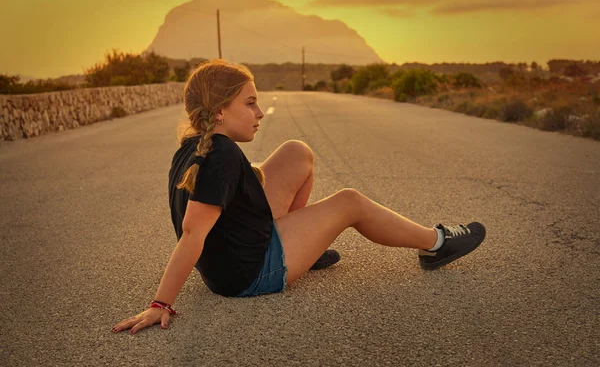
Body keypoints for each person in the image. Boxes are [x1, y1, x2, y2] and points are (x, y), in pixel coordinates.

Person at [111, 59, 486, 335]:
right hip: (248, 274)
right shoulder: (221, 157)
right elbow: (192, 234)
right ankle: (436, 244)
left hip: (237, 250)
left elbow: (220, 200)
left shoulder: (196, 146)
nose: (259, 113)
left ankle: (307, 251)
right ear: (221, 111)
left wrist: (253, 177)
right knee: (349, 201)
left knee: (296, 152)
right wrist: (161, 303)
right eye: (250, 103)